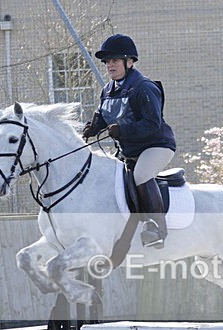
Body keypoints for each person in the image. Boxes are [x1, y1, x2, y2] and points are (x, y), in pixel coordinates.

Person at [82, 33, 176, 249]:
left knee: (142, 174)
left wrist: (122, 130)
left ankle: (157, 227)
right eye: (107, 62)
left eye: (114, 60)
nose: (109, 65)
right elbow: (103, 115)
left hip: (157, 145)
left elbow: (152, 123)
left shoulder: (144, 87)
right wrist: (92, 128)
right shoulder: (108, 90)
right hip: (130, 150)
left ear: (129, 61)